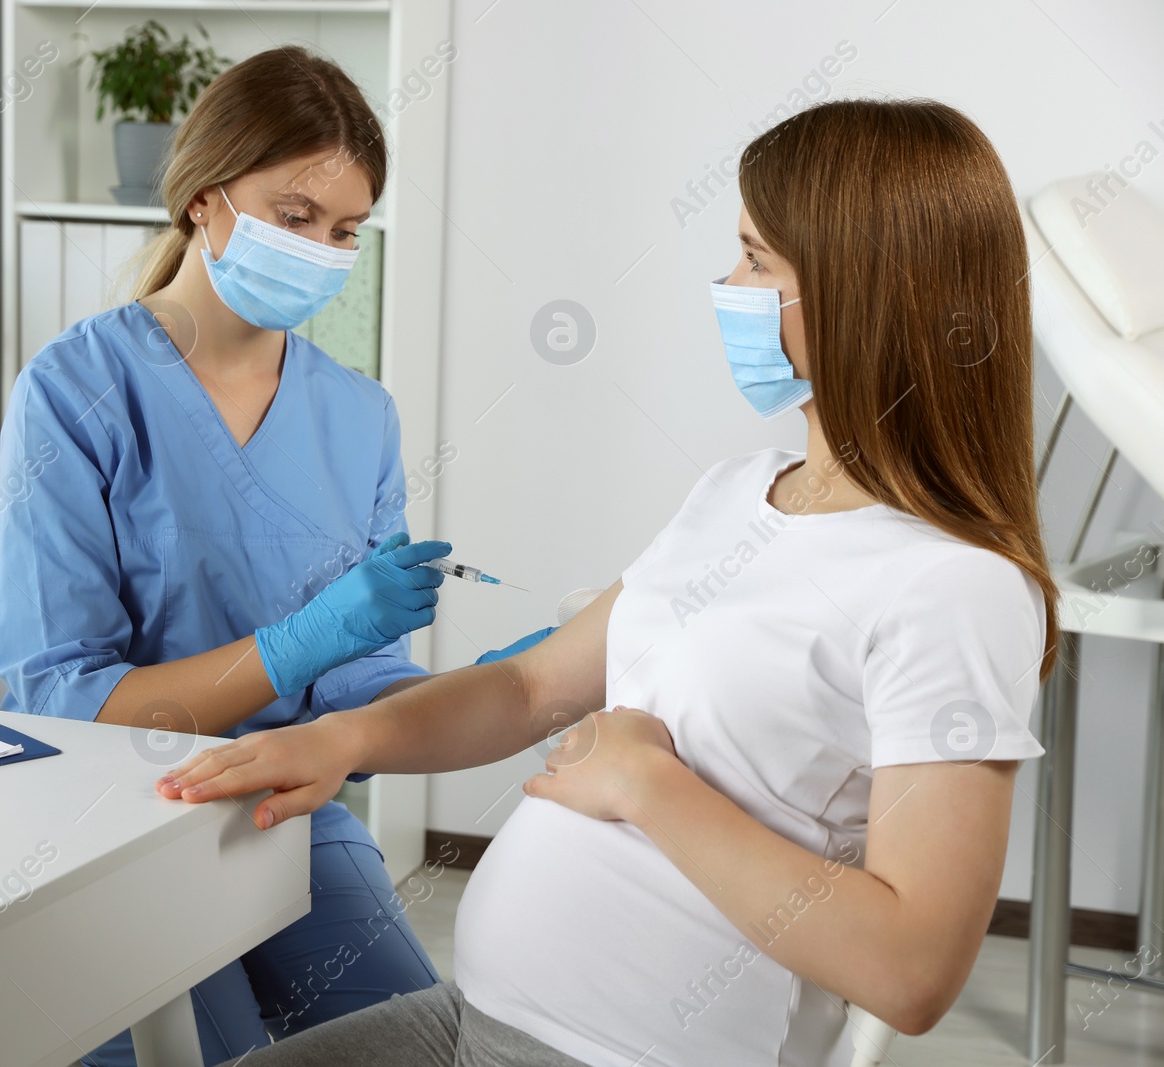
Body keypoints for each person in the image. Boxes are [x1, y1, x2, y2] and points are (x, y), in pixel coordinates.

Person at [156, 97, 1061, 1067]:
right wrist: (339, 739)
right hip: (473, 1020)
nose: (728, 282)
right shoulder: (739, 492)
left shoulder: (956, 588)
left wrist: (643, 781)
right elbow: (532, 686)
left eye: (756, 259)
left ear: (861, 291)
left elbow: (912, 969)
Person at [0, 45, 543, 1067]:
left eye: (346, 231)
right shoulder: (74, 393)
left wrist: (507, 685)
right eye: (295, 216)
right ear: (204, 200)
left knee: (424, 1047)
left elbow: (360, 681)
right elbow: (61, 702)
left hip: (288, 813)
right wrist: (299, 642)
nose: (326, 251)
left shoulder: (358, 414)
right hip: (113, 829)